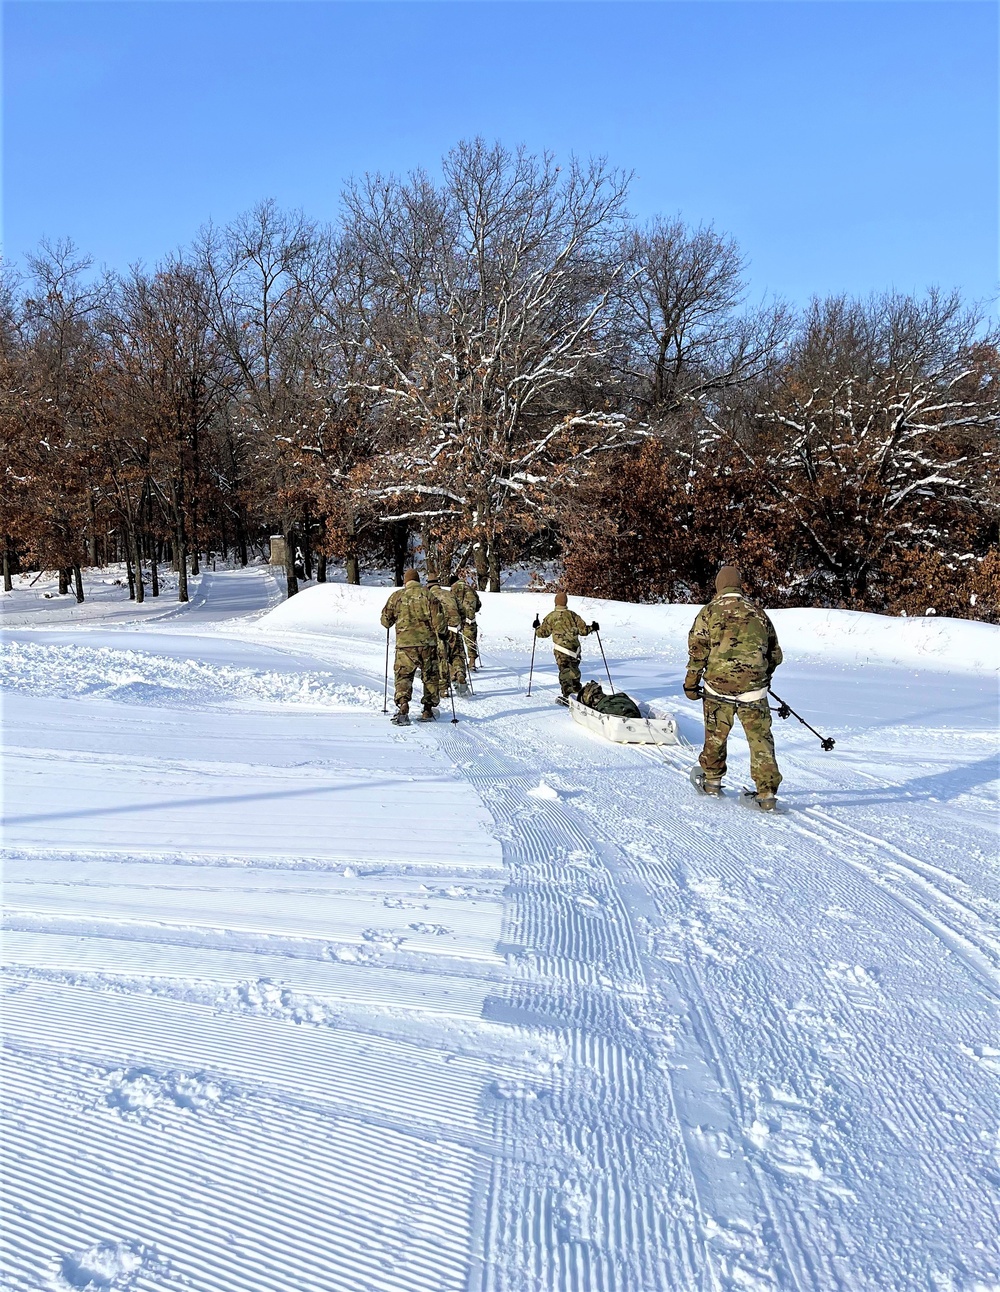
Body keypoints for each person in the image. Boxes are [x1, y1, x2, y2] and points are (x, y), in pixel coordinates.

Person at [684, 565, 783, 810]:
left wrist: (691, 684)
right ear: (739, 585)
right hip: (754, 692)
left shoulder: (708, 612)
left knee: (716, 736)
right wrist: (763, 677)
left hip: (718, 689)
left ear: (719, 586)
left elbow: (698, 653)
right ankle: (766, 793)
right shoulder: (759, 613)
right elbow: (775, 654)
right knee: (760, 741)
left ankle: (712, 780)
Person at [380, 569, 447, 725]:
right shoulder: (429, 596)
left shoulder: (396, 597)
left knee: (403, 676)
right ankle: (428, 710)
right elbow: (440, 622)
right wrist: (442, 635)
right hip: (427, 645)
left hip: (405, 646)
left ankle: (403, 706)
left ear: (405, 581)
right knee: (430, 676)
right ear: (419, 581)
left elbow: (385, 621)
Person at [533, 592, 597, 705]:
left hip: (561, 650)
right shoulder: (573, 615)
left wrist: (536, 626)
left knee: (565, 672)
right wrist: (593, 627)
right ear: (566, 602)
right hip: (575, 650)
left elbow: (542, 633)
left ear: (556, 602)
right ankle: (577, 693)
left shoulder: (551, 617)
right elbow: (583, 631)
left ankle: (567, 696)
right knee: (574, 671)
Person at [426, 573, 466, 694]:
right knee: (457, 654)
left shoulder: (428, 596)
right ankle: (460, 673)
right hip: (455, 628)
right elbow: (462, 611)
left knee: (441, 658)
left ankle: (443, 688)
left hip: (439, 630)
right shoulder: (449, 594)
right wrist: (461, 625)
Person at [451, 578, 482, 671]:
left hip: (458, 619)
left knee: (457, 642)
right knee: (471, 640)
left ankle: (458, 664)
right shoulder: (471, 589)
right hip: (470, 619)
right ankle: (472, 662)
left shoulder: (453, 588)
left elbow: (451, 603)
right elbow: (478, 605)